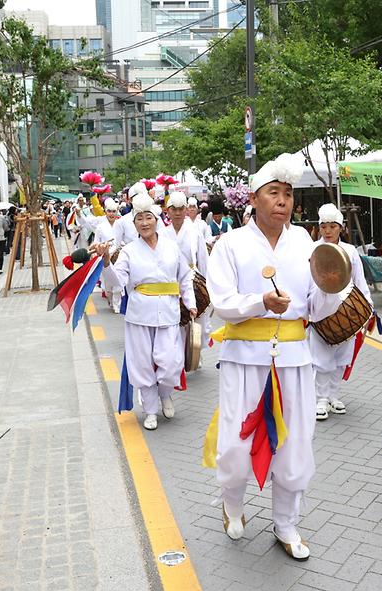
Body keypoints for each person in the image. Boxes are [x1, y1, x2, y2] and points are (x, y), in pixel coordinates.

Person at [206, 154, 340, 560]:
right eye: (273, 193)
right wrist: (260, 302)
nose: (282, 201)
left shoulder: (307, 244)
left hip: (295, 358)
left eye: (287, 194)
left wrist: (333, 287)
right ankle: (232, 506)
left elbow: (317, 306)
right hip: (244, 357)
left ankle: (287, 523)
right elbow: (222, 301)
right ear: (254, 197)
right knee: (234, 441)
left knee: (295, 442)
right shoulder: (230, 244)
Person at [98, 194, 195, 430]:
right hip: (139, 315)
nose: (144, 222)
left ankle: (165, 394)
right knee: (142, 364)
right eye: (139, 218)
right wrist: (106, 262)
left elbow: (184, 277)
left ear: (157, 219)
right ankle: (150, 410)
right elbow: (118, 280)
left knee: (170, 362)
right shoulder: (130, 251)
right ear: (134, 224)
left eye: (148, 217)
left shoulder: (172, 248)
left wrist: (190, 302)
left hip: (169, 313)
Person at [308, 203, 372, 420]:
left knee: (342, 358)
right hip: (320, 309)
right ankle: (321, 398)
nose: (327, 231)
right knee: (322, 358)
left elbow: (359, 281)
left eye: (332, 226)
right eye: (324, 226)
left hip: (348, 309)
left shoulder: (351, 251)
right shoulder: (311, 249)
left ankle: (334, 395)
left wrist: (367, 308)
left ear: (341, 228)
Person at [161, 191, 210, 350]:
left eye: (181, 209)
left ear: (186, 210)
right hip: (169, 283)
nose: (177, 213)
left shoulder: (195, 233)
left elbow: (203, 261)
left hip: (193, 281)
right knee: (175, 323)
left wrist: (207, 286)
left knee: (196, 322)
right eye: (173, 209)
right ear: (167, 210)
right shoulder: (161, 234)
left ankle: (195, 353)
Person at [78, 197, 123, 313]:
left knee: (118, 280)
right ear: (105, 211)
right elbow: (96, 241)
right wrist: (98, 248)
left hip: (119, 256)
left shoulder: (121, 224)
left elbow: (124, 240)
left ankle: (117, 305)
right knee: (108, 284)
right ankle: (110, 297)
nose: (112, 214)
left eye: (114, 211)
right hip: (105, 257)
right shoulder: (100, 227)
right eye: (109, 211)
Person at [114, 183, 143, 249]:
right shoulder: (122, 222)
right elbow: (116, 245)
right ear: (130, 200)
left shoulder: (155, 219)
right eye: (136, 197)